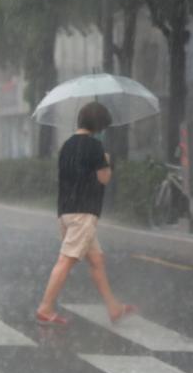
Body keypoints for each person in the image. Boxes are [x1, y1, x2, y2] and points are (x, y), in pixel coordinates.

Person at [36, 101, 137, 326]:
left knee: (96, 261)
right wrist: (107, 162)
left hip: (66, 211)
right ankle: (45, 307)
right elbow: (104, 179)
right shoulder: (94, 147)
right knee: (65, 260)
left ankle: (114, 308)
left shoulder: (67, 145)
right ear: (99, 125)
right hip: (84, 213)